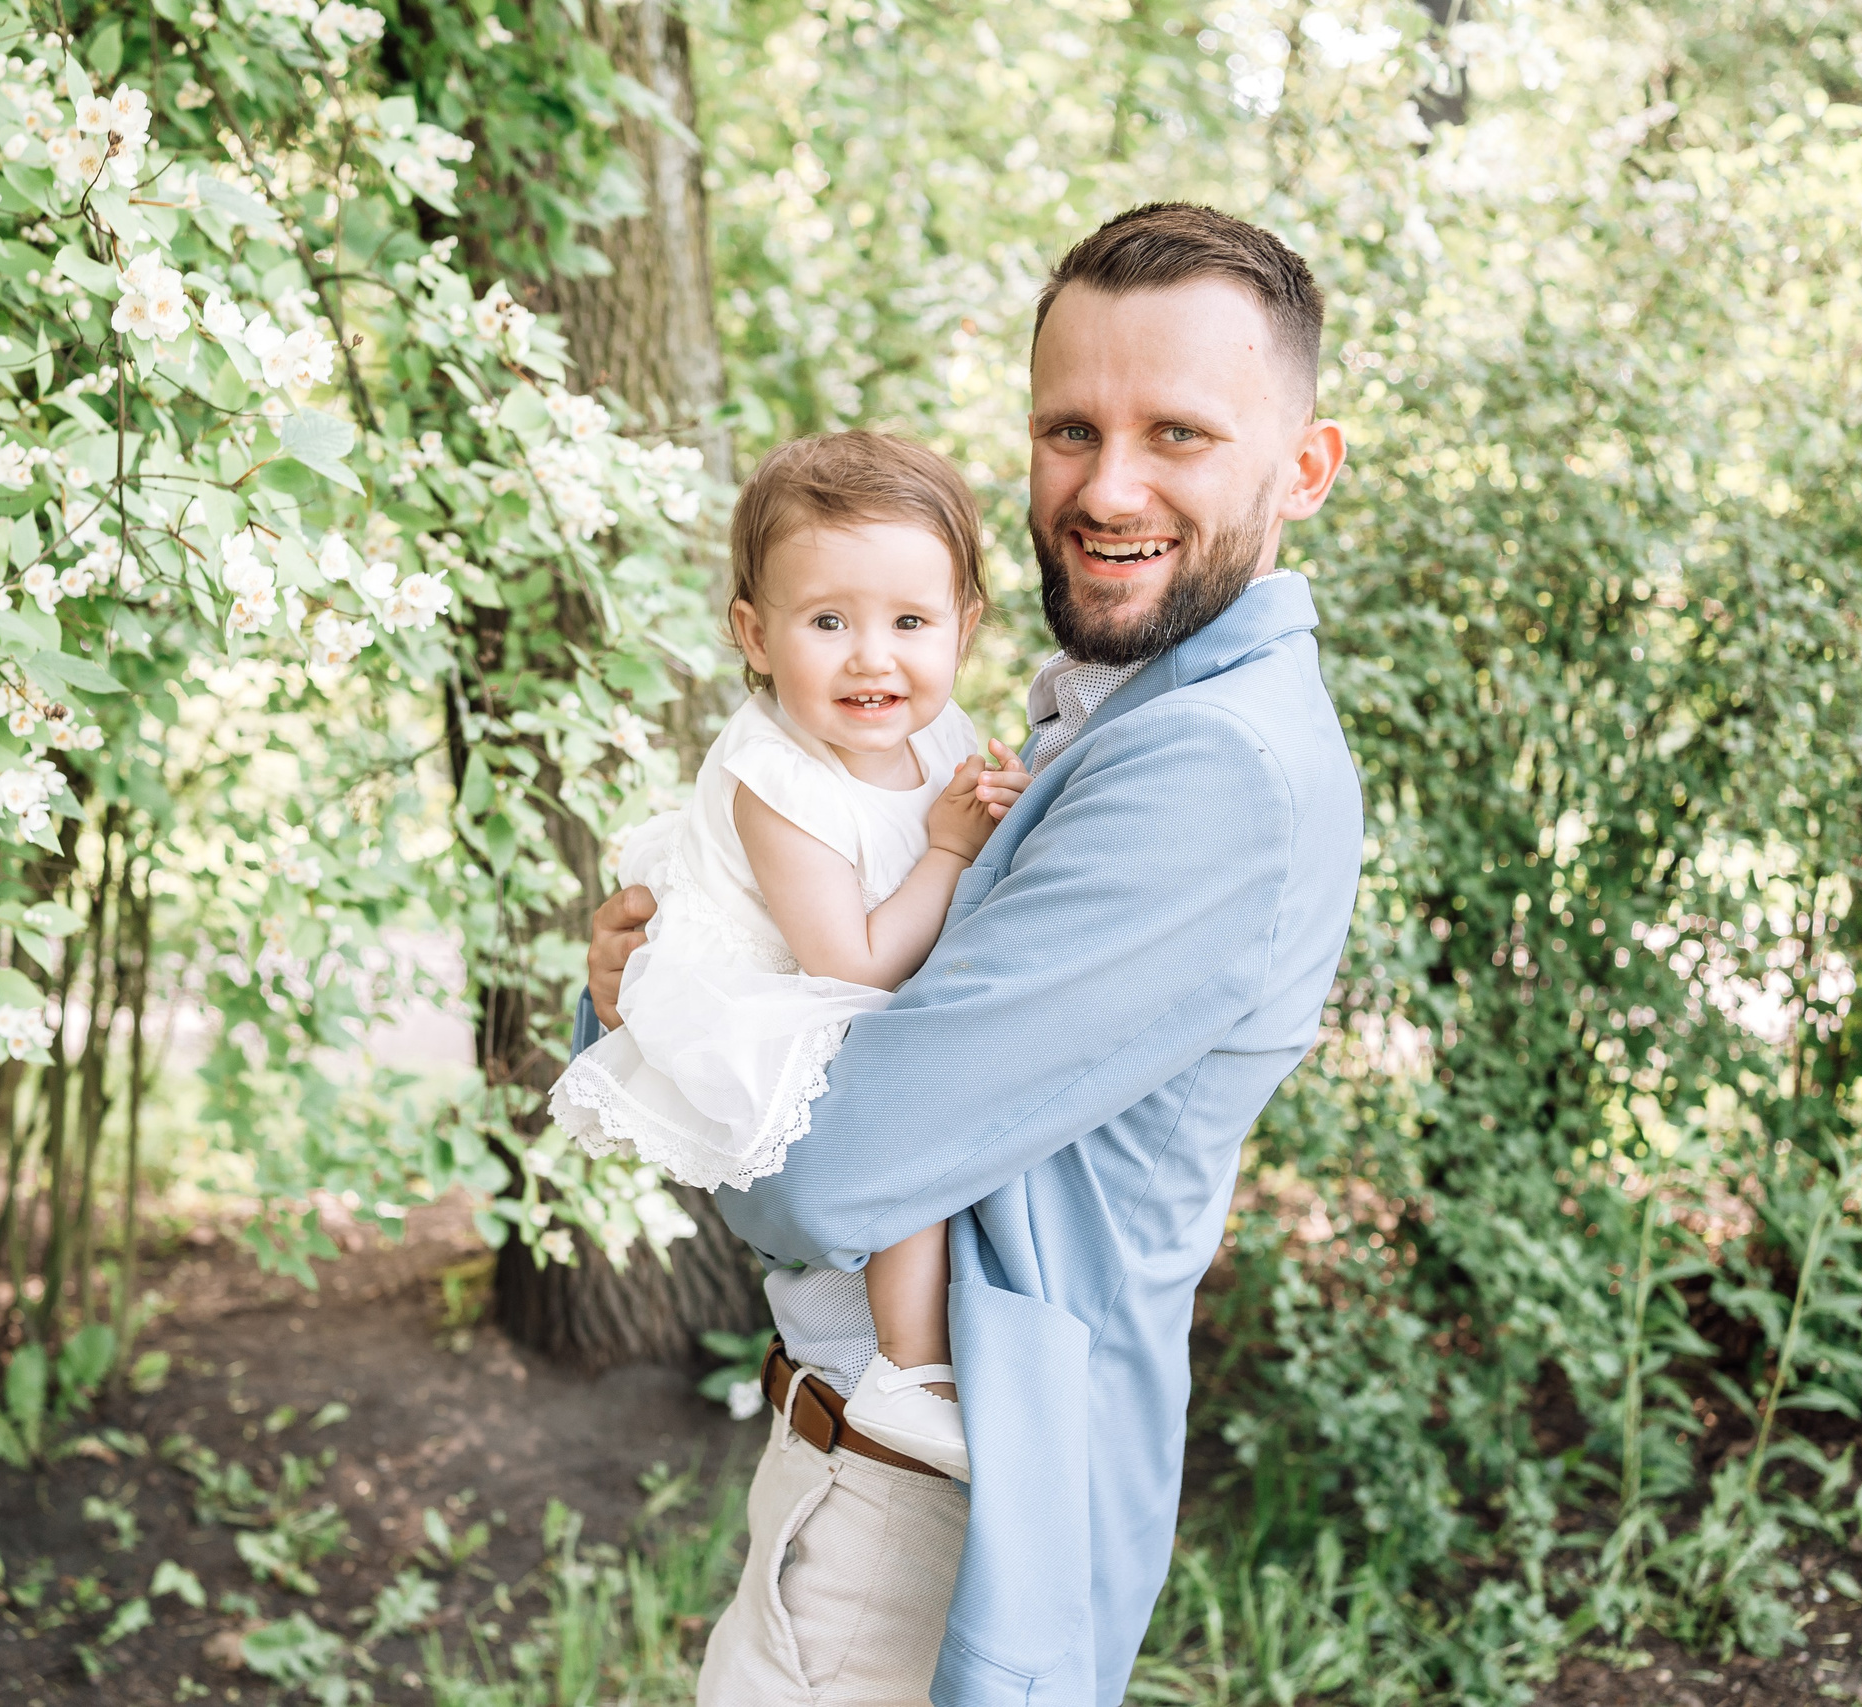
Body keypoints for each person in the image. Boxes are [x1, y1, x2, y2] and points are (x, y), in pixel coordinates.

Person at [578, 203, 1365, 1706]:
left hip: (923, 1520)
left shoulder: (1215, 766)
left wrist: (664, 1034)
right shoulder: (1113, 705)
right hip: (866, 1462)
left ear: (1304, 468)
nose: (1107, 486)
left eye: (1179, 432)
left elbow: (821, 1177)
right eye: (1070, 429)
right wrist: (648, 983)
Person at [551, 432, 1032, 1481]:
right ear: (755, 634)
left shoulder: (937, 729)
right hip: (782, 993)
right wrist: (953, 849)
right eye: (827, 621)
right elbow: (853, 966)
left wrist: (992, 809)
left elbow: (955, 845)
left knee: (922, 1101)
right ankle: (908, 1367)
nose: (872, 657)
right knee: (910, 1129)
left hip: (857, 976)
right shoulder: (778, 780)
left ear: (964, 626)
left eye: (910, 622)